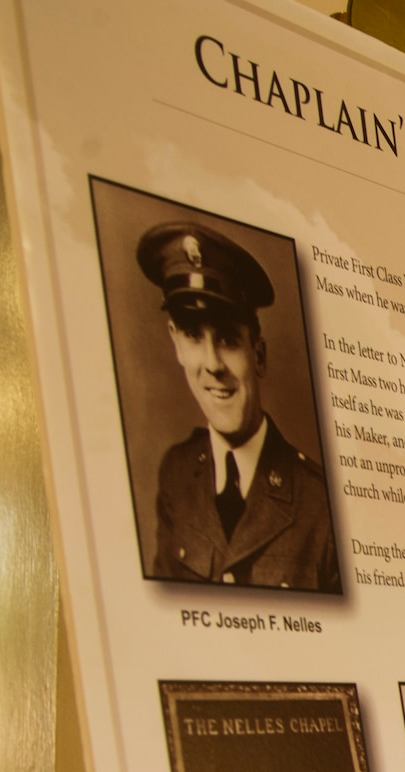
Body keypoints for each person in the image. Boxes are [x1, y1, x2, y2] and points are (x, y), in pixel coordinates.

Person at [136, 221, 340, 592]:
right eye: (194, 336)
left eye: (229, 339)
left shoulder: (321, 505)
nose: (212, 364)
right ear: (176, 344)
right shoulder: (177, 474)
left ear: (257, 355)